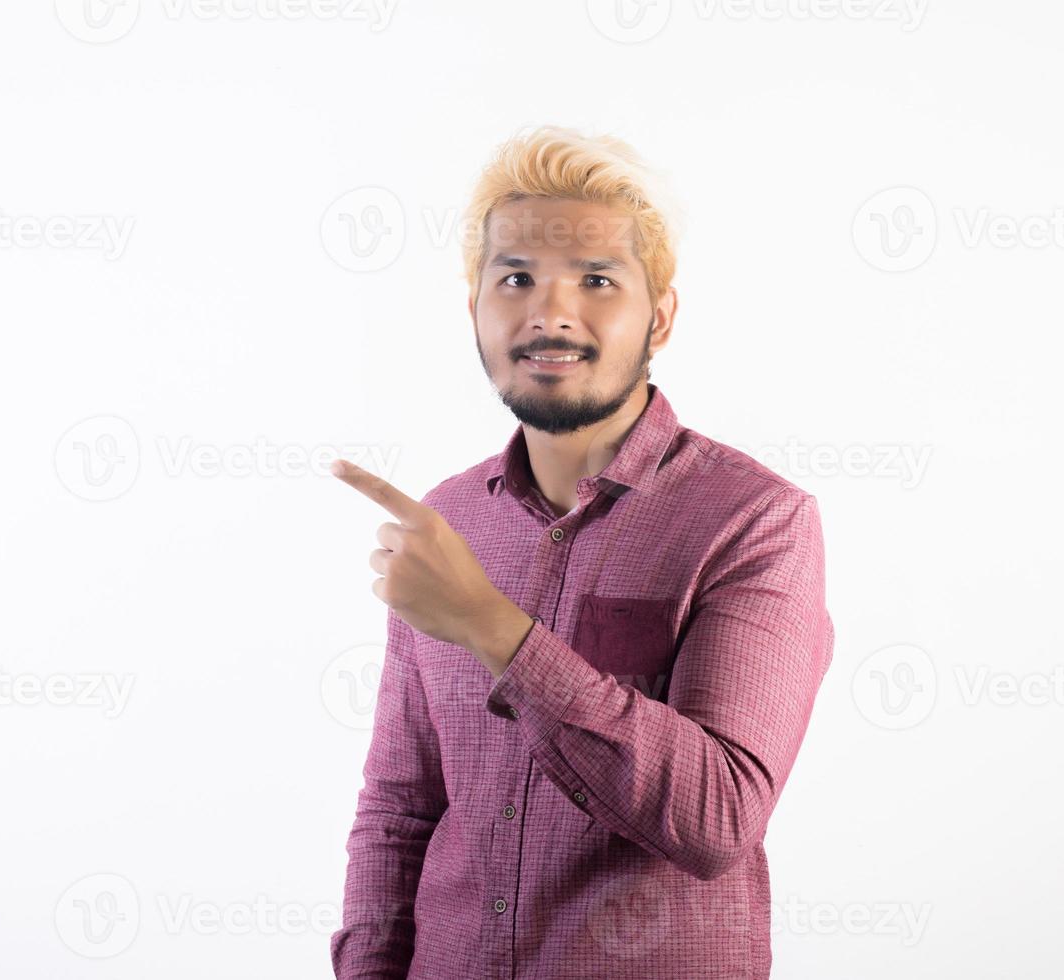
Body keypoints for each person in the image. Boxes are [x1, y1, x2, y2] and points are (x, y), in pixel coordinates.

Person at [329, 124, 834, 979]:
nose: (550, 311)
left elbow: (719, 819)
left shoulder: (754, 521)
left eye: (597, 281)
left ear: (660, 315)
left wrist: (492, 627)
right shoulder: (449, 521)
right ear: (476, 309)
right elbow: (400, 809)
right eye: (515, 278)